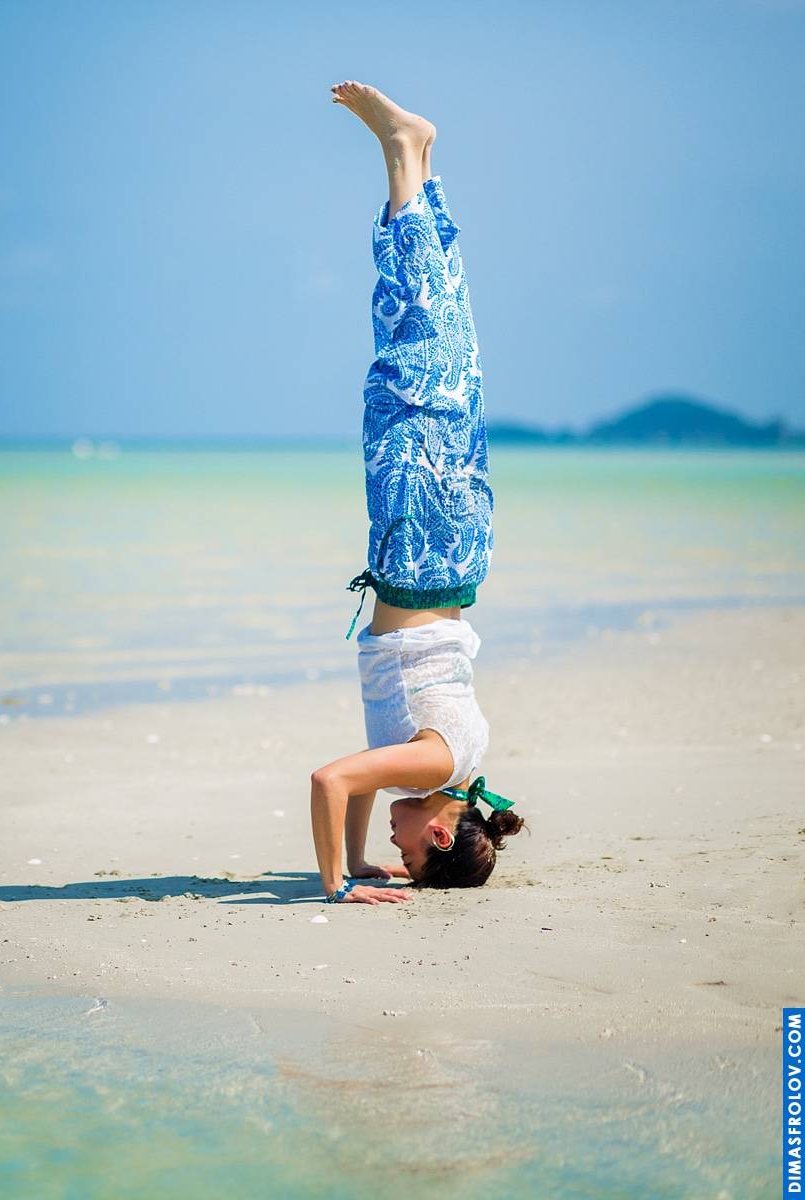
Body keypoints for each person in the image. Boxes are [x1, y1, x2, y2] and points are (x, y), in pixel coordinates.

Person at [307, 81, 527, 905]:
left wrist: (360, 855)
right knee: (413, 367)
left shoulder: (446, 769)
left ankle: (419, 167)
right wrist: (339, 883)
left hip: (449, 557)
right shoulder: (438, 762)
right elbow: (332, 779)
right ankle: (404, 154)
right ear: (440, 834)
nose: (395, 850)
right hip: (422, 554)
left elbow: (366, 773)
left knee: (442, 358)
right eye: (408, 854)